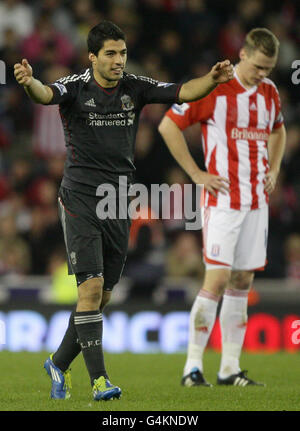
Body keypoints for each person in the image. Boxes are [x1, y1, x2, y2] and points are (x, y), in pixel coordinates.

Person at [14, 21, 233, 401]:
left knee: (103, 297)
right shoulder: (76, 87)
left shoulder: (136, 87)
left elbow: (183, 90)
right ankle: (100, 382)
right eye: (111, 54)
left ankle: (58, 364)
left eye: (123, 53)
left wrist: (211, 79)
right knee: (91, 288)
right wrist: (28, 81)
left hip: (118, 200)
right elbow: (44, 94)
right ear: (93, 56)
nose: (119, 61)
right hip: (81, 197)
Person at [158, 28, 286, 387]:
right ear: (243, 55)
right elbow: (169, 125)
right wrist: (196, 173)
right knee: (215, 279)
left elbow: (279, 131)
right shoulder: (215, 87)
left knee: (243, 281)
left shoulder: (270, 92)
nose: (264, 73)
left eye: (270, 68)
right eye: (260, 66)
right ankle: (191, 367)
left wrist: (274, 169)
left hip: (256, 202)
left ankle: (230, 368)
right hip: (223, 200)